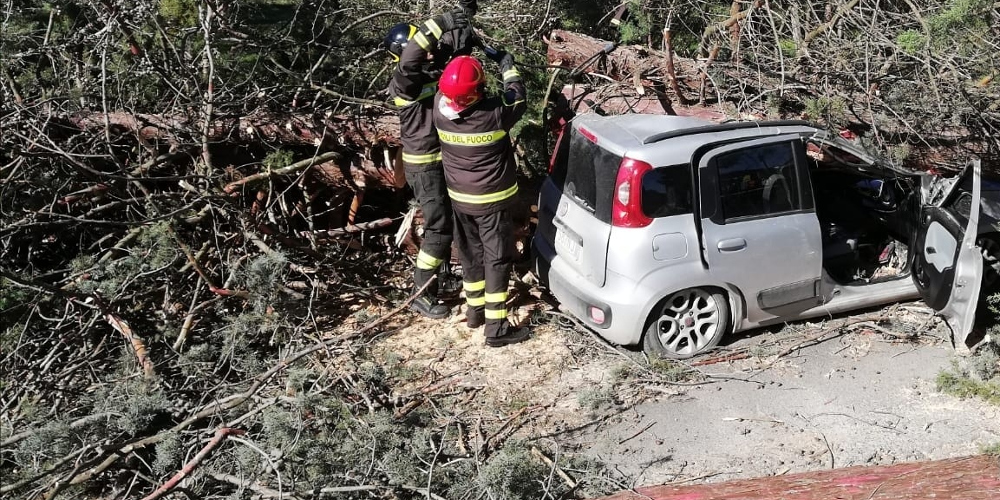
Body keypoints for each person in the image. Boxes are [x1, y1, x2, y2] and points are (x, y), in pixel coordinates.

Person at [432, 51, 530, 347]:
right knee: (497, 259)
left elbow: (449, 88)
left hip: (459, 200)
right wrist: (507, 65)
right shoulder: (494, 113)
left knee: (470, 255)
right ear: (479, 88)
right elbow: (517, 94)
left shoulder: (438, 108)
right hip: (492, 202)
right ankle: (496, 328)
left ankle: (474, 312)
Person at [385, 8, 473, 319]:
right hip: (424, 166)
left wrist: (465, 12)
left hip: (440, 161)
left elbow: (458, 47)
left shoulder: (426, 71)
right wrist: (440, 22)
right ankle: (421, 294)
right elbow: (412, 56)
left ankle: (443, 275)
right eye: (424, 47)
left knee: (448, 221)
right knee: (438, 227)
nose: (430, 52)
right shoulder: (404, 79)